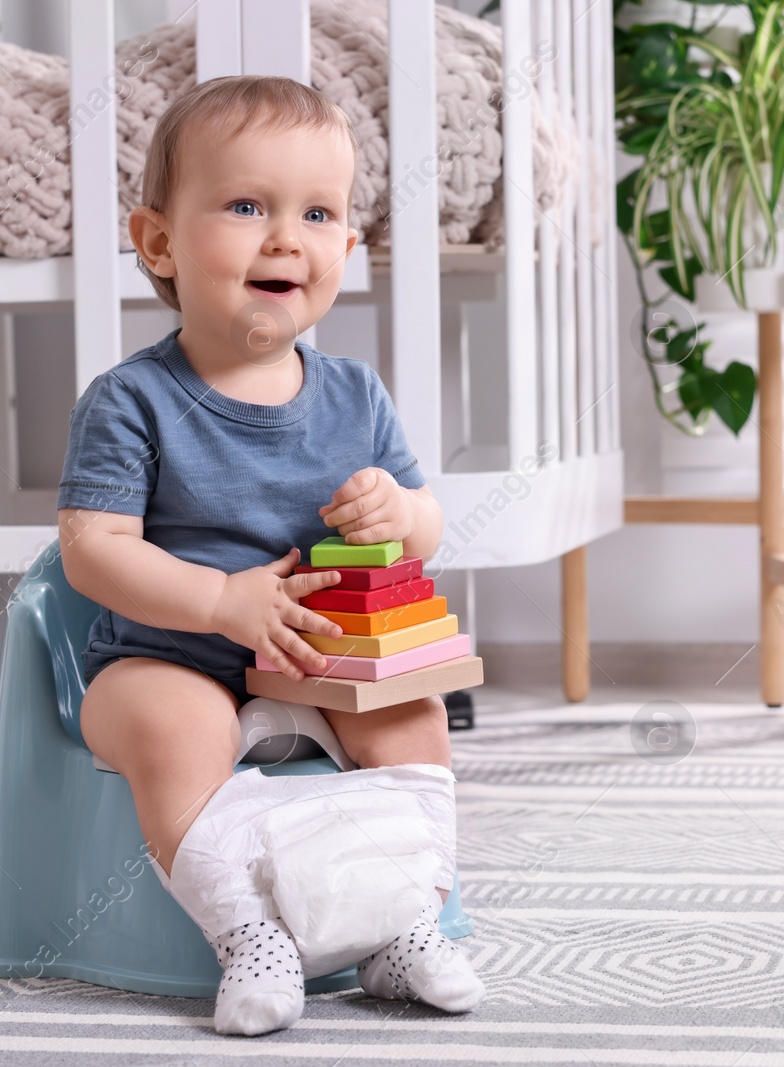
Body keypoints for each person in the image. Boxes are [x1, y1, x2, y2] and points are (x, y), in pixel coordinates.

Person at [54, 75, 483, 1036]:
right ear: (159, 240)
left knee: (414, 711)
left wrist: (395, 514)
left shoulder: (356, 395)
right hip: (168, 653)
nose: (286, 236)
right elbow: (91, 553)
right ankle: (249, 933)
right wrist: (216, 603)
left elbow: (428, 524)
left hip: (321, 658)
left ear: (347, 249)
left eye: (318, 213)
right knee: (174, 730)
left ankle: (401, 922)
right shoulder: (131, 400)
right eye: (248, 206)